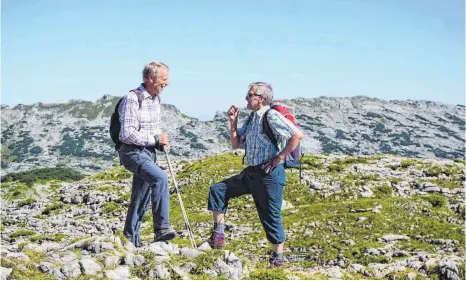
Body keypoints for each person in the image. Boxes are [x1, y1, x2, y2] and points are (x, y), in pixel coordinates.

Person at [207, 82, 303, 267]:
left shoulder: (271, 116)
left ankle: (277, 260)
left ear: (260, 98)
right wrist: (233, 121)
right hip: (251, 172)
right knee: (218, 190)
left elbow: (297, 135)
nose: (246, 98)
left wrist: (280, 157)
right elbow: (236, 144)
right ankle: (218, 237)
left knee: (270, 215)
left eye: (249, 95)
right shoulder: (252, 118)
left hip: (269, 175)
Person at [118, 61, 175, 247]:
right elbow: (126, 134)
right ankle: (162, 229)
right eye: (163, 79)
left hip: (148, 153)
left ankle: (130, 239)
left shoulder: (155, 98)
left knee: (140, 196)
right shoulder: (133, 99)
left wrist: (160, 141)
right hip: (132, 153)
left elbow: (152, 129)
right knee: (160, 178)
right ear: (150, 78)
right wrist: (154, 140)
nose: (166, 83)